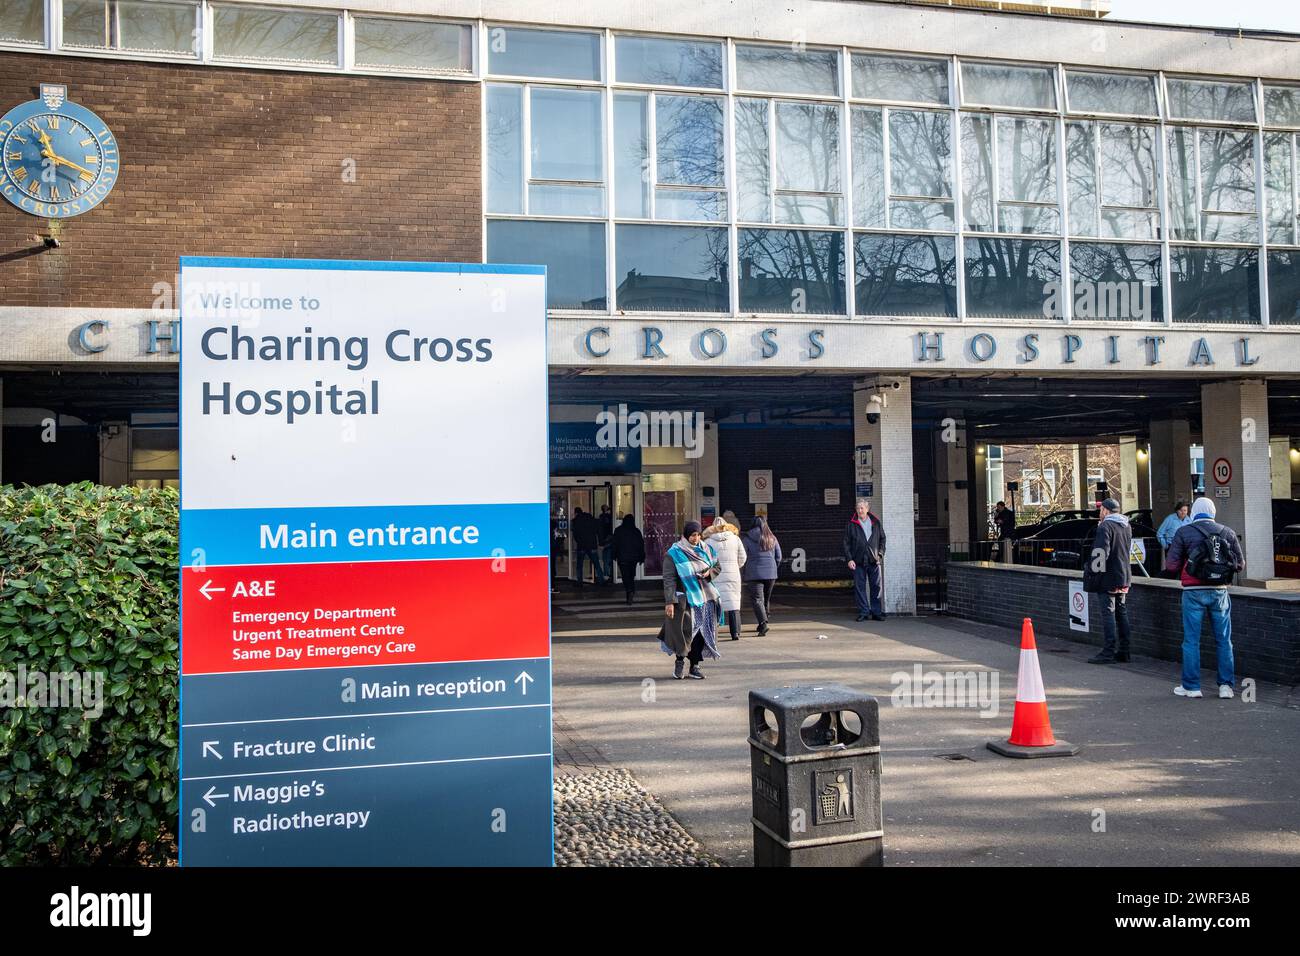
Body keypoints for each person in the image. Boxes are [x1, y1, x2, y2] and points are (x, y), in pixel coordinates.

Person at [1164, 497, 1244, 700]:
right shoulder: (1227, 532)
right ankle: (1226, 687)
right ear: (1213, 512)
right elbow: (1240, 564)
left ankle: (1192, 687)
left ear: (1194, 512)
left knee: (1191, 640)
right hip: (1220, 591)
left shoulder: (1184, 532)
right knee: (1224, 640)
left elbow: (1171, 566)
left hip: (1193, 592)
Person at [658, 521, 722, 680]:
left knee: (701, 634)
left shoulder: (707, 549)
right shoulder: (674, 553)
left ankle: (695, 666)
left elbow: (717, 567)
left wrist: (709, 574)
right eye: (693, 535)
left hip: (706, 598)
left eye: (698, 534)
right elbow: (669, 579)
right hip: (685, 599)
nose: (696, 538)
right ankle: (679, 662)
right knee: (685, 633)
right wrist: (670, 602)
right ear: (686, 535)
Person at [1083, 498, 1133, 665]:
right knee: (1121, 612)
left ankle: (1108, 651)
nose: (1100, 513)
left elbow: (1100, 553)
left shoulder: (1105, 526)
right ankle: (1125, 651)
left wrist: (1092, 572)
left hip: (1108, 577)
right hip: (1124, 576)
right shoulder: (1126, 525)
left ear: (1105, 510)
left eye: (1100, 510)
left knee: (1108, 614)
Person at [702, 516, 747, 640]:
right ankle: (735, 632)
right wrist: (735, 566)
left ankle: (714, 632)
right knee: (734, 604)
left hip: (716, 576)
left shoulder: (708, 542)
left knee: (716, 603)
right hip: (733, 575)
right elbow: (743, 557)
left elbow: (705, 561)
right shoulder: (735, 539)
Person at [842, 499, 886, 622]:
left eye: (862, 508)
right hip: (858, 561)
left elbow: (883, 539)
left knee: (876, 587)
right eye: (858, 508)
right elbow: (846, 543)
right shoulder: (851, 524)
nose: (860, 510)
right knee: (859, 588)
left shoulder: (875, 522)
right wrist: (849, 559)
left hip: (874, 561)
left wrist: (880, 555)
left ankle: (876, 612)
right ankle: (864, 612)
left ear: (867, 509)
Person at [741, 516, 782, 636]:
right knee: (765, 599)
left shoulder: (747, 538)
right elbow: (778, 557)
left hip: (754, 574)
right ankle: (763, 622)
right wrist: (773, 567)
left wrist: (744, 571)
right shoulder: (772, 538)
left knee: (757, 599)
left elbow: (743, 556)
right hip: (771, 573)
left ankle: (763, 624)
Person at [611, 513, 645, 605]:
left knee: (625, 576)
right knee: (631, 576)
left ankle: (629, 591)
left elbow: (614, 544)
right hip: (633, 558)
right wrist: (642, 557)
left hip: (622, 558)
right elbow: (640, 545)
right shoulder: (636, 531)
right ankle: (631, 591)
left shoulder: (618, 531)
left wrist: (613, 555)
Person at [570, 507, 605, 587]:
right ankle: (601, 580)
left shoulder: (576, 521)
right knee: (596, 564)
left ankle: (580, 582)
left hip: (581, 546)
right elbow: (599, 532)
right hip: (592, 545)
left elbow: (575, 534)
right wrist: (601, 543)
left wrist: (579, 541)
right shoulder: (593, 520)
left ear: (576, 513)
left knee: (579, 565)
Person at [597, 504, 615, 585]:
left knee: (606, 559)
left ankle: (607, 575)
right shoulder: (609, 518)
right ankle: (608, 575)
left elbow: (600, 531)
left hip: (605, 541)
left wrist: (601, 543)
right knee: (608, 559)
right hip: (609, 541)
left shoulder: (601, 518)